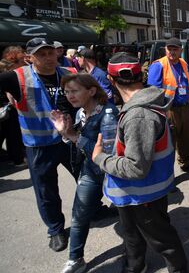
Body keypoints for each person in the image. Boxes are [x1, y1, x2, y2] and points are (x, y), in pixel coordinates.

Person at [92, 52, 188, 273]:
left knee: (163, 240)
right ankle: (136, 265)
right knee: (132, 235)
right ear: (140, 75)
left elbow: (136, 167)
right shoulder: (144, 104)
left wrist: (100, 158)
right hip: (136, 194)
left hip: (144, 194)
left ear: (110, 79)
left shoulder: (138, 116)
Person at [0, 38, 78, 251]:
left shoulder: (68, 72)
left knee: (87, 178)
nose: (48, 58)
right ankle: (55, 229)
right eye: (41, 54)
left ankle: (94, 209)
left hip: (69, 140)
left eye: (50, 53)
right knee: (46, 191)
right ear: (29, 58)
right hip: (39, 145)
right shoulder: (17, 77)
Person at [50, 74, 118, 273]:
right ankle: (75, 259)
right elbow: (79, 144)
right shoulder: (81, 112)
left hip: (112, 173)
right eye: (67, 91)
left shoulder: (107, 114)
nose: (70, 95)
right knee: (78, 217)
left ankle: (137, 256)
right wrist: (68, 132)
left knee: (132, 218)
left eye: (75, 90)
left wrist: (70, 135)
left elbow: (106, 153)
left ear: (91, 91)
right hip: (90, 171)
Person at [147, 37, 189, 171]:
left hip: (184, 107)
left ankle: (185, 163)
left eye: (175, 49)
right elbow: (152, 93)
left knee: (185, 138)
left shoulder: (184, 64)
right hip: (168, 110)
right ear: (165, 50)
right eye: (169, 49)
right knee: (169, 142)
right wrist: (161, 112)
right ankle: (167, 175)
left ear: (181, 50)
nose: (172, 52)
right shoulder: (158, 65)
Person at [0, 46, 26, 165]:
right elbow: (10, 97)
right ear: (13, 61)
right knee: (13, 135)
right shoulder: (9, 75)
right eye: (21, 62)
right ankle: (17, 159)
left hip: (4, 110)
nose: (24, 64)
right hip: (7, 109)